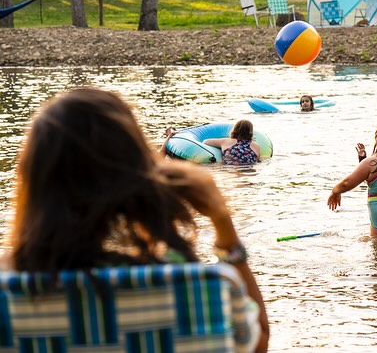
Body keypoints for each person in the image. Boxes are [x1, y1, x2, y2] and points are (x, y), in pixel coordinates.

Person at [7, 87, 269, 351]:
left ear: (31, 181)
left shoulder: (7, 291)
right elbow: (257, 342)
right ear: (141, 174)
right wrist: (221, 220)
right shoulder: (201, 286)